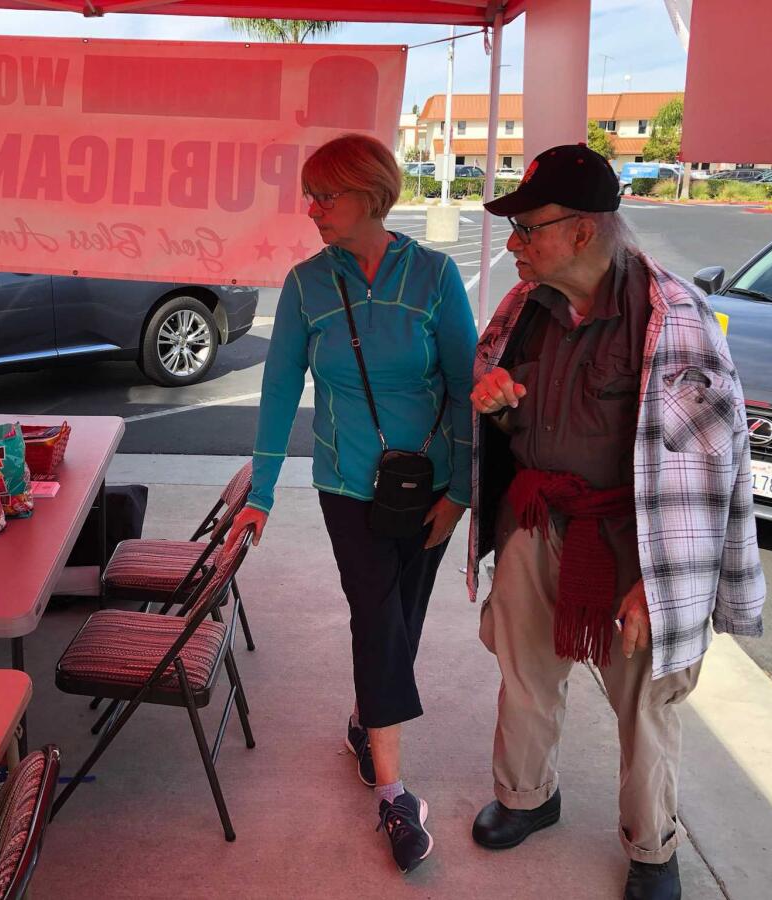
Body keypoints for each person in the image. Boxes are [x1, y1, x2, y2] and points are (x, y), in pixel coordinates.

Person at [466, 144, 765, 900]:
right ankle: (527, 797)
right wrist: (498, 407)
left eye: (527, 229)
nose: (513, 244)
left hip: (636, 542)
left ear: (583, 231)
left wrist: (661, 592)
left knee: (646, 698)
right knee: (525, 671)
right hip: (536, 519)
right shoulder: (520, 310)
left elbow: (706, 471)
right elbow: (507, 417)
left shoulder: (674, 320)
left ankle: (652, 845)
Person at [228, 133, 477, 873]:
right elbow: (278, 393)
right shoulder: (306, 285)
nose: (311, 210)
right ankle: (396, 794)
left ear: (370, 194)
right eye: (309, 195)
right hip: (347, 486)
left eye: (324, 195)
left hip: (428, 487)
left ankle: (368, 720)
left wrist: (460, 493)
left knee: (401, 619)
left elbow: (466, 389)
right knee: (375, 613)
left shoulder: (433, 276)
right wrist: (261, 494)